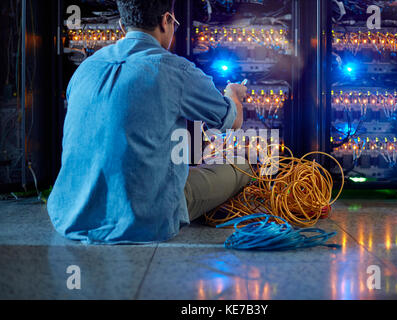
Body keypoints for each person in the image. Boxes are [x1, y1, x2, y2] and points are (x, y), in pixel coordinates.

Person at [47, 0, 251, 244]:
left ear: (123, 25)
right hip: (146, 219)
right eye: (174, 23)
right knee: (242, 166)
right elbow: (233, 120)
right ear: (166, 20)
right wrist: (233, 94)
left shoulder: (85, 69)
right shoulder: (175, 70)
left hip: (69, 216)